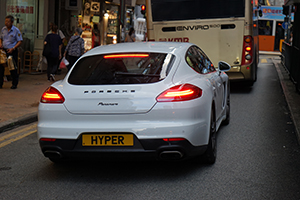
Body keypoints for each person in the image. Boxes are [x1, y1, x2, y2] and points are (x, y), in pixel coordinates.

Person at [0, 15, 23, 89]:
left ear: (12, 22)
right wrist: (0, 43)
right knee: (1, 67)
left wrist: (13, 48)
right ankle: (0, 83)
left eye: (8, 21)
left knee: (12, 68)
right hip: (3, 51)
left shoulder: (16, 30)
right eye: (5, 21)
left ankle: (14, 83)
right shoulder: (3, 29)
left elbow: (20, 41)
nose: (6, 23)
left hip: (12, 51)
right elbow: (1, 38)